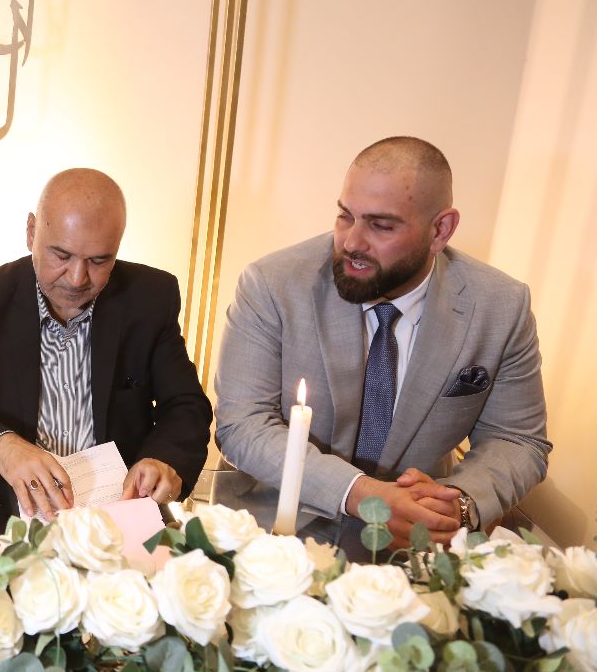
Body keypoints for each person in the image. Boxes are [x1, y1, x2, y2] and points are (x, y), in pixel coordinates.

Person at [214, 136, 550, 547]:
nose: (351, 242)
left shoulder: (501, 306)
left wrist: (456, 505)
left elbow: (517, 439)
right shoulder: (272, 284)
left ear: (440, 230)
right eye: (345, 216)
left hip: (417, 543)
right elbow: (242, 424)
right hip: (275, 534)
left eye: (381, 225)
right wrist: (361, 494)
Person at [0, 169, 213, 526]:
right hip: (9, 517)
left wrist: (164, 460)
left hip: (120, 515)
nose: (77, 278)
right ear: (31, 232)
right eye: (61, 255)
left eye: (99, 260)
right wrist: (2, 445)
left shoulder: (150, 297)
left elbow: (186, 405)